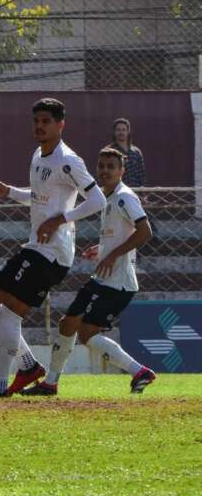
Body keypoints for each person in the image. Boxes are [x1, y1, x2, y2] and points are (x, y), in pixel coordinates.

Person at [0, 98, 106, 397]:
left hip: (53, 253)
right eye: (36, 121)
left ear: (61, 124)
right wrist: (9, 192)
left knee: (9, 314)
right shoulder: (38, 154)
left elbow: (98, 201)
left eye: (46, 121)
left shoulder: (68, 160)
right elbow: (38, 197)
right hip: (35, 246)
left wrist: (61, 219)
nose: (39, 126)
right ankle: (28, 366)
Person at [22, 147, 156, 395]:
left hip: (117, 282)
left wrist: (114, 254)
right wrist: (103, 248)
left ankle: (139, 371)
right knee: (68, 324)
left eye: (111, 167)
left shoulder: (125, 197)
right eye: (102, 166)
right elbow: (121, 233)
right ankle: (51, 382)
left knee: (85, 332)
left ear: (122, 171)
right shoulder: (109, 197)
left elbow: (145, 231)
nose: (105, 171)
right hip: (105, 278)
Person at [109, 118, 146, 188]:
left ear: (128, 131)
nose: (121, 132)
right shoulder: (109, 151)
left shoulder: (136, 152)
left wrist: (143, 193)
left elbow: (142, 174)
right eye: (118, 130)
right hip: (118, 191)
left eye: (124, 130)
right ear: (114, 132)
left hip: (136, 191)